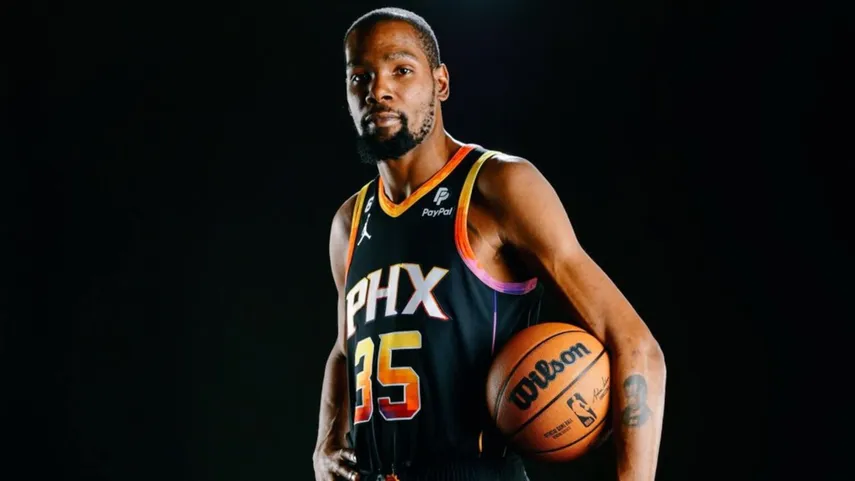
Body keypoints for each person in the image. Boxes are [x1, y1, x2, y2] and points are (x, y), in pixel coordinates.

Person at [312, 7, 666, 481]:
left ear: (440, 83)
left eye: (401, 70)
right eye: (361, 77)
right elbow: (344, 350)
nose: (379, 90)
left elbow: (635, 345)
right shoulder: (350, 222)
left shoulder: (498, 186)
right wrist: (326, 443)